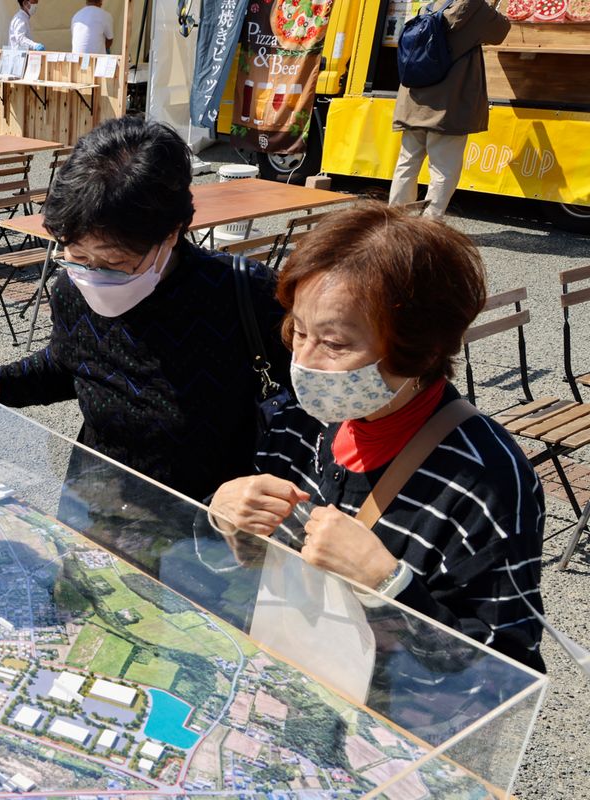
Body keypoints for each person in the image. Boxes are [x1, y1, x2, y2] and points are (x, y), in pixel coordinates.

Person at [206, 202, 544, 671]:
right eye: (299, 332)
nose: (305, 361)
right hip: (292, 684)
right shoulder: (297, 419)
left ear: (421, 349)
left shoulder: (488, 482)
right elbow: (260, 567)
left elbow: (505, 670)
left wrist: (388, 586)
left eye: (335, 343)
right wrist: (225, 512)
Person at [0, 117, 289, 504]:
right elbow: (71, 362)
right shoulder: (72, 288)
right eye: (76, 254)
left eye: (114, 261)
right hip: (96, 500)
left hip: (207, 521)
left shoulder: (243, 294)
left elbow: (307, 410)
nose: (92, 274)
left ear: (172, 233)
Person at [388, 0, 509, 218]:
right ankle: (430, 224)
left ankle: (396, 221)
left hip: (414, 101)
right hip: (448, 106)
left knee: (407, 163)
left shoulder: (430, 6)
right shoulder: (477, 8)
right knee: (443, 169)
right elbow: (501, 31)